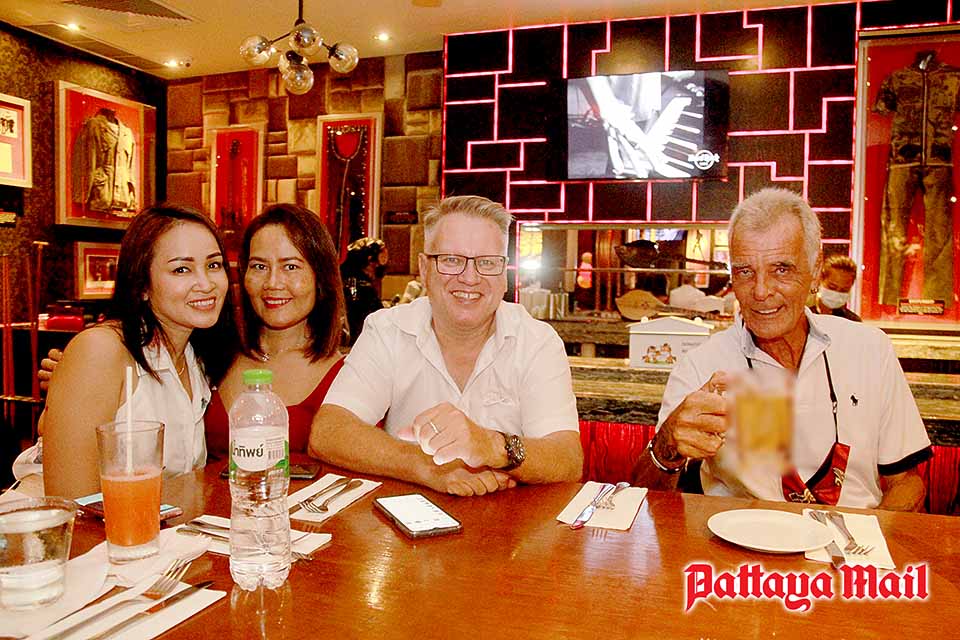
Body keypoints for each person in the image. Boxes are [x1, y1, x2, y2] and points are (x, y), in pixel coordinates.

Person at [633, 188, 931, 511]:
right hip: (737, 541)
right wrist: (667, 445)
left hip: (849, 538)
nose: (761, 291)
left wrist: (866, 539)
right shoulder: (699, 366)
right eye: (745, 271)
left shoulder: (870, 350)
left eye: (782, 269)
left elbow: (907, 483)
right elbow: (648, 502)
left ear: (815, 270)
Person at [308, 195, 583, 496]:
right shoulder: (387, 331)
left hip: (515, 522)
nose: (469, 278)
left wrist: (491, 445)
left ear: (504, 275)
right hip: (405, 519)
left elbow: (567, 459)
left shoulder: (538, 342)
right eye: (451, 260)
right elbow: (328, 432)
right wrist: (424, 466)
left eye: (487, 262)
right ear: (424, 269)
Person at [41, 205, 238, 498]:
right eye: (181, 269)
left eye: (214, 265)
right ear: (142, 285)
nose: (206, 284)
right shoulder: (101, 350)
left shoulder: (195, 356)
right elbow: (71, 502)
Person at [203, 204, 346, 458]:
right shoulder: (212, 355)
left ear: (320, 277)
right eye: (259, 267)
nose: (272, 283)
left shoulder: (348, 377)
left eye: (290, 267)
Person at [340, 237, 388, 345]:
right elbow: (382, 322)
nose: (381, 266)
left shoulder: (342, 281)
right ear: (369, 261)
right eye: (382, 259)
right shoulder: (365, 289)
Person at [812, 254, 861, 322]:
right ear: (820, 280)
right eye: (832, 287)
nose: (836, 293)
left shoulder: (852, 321)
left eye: (844, 290)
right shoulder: (803, 314)